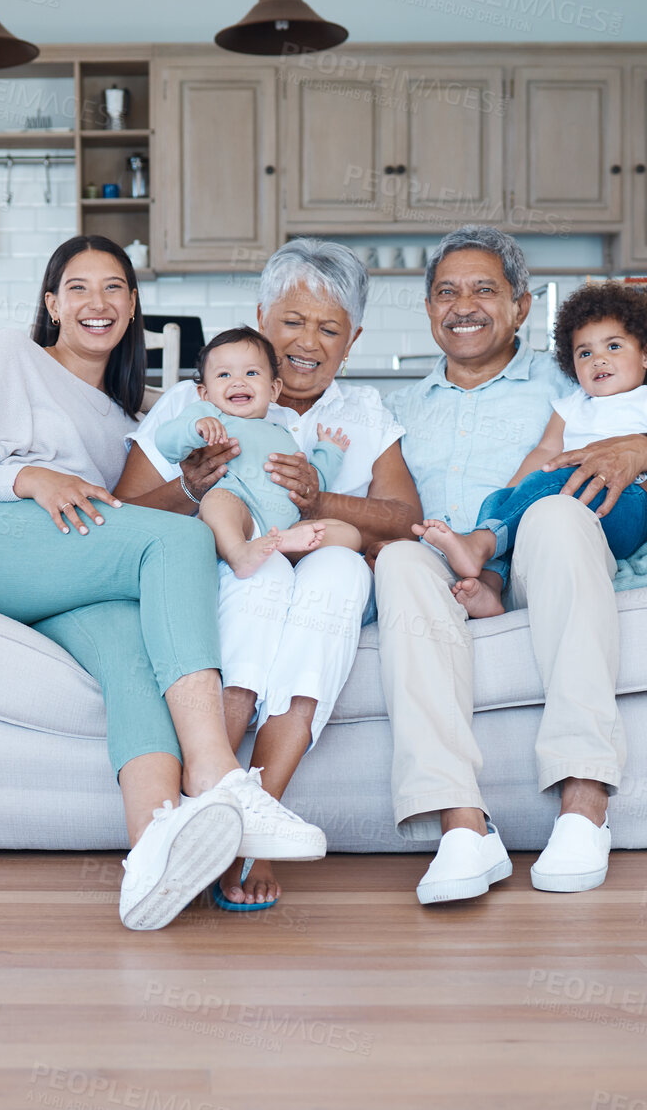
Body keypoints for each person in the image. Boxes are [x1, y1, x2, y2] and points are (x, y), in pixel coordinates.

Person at [0, 235, 326, 933]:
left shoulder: (129, 416)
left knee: (133, 658)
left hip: (68, 572)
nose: (96, 302)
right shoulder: (9, 354)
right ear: (50, 303)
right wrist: (29, 477)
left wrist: (185, 487)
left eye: (113, 288)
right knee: (189, 540)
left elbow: (121, 523)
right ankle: (215, 773)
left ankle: (153, 852)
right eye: (77, 287)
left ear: (133, 305)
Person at [377, 225, 647, 906]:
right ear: (427, 310)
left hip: (548, 552)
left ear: (520, 306)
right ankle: (462, 826)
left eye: (484, 289)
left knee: (553, 512)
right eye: (446, 292)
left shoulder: (575, 378)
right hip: (444, 563)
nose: (463, 304)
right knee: (396, 561)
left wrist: (646, 451)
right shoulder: (396, 408)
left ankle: (584, 796)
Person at [117, 238, 423, 910]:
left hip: (321, 555)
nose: (306, 340)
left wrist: (321, 499)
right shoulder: (199, 402)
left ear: (354, 339)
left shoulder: (364, 414)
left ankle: (255, 825)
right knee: (264, 580)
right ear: (260, 316)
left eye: (328, 327)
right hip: (235, 562)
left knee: (340, 572)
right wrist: (192, 487)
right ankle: (205, 802)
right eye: (290, 320)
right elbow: (124, 513)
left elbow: (405, 519)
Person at [417, 280, 647, 619]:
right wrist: (513, 493)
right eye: (585, 353)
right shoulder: (572, 405)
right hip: (563, 508)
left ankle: (481, 542)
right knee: (498, 502)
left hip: (625, 507)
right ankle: (488, 585)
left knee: (553, 483)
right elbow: (544, 452)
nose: (598, 360)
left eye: (614, 347)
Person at [154, 326, 360, 578]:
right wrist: (194, 428)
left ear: (273, 390)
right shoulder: (210, 417)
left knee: (349, 535)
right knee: (216, 501)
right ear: (205, 394)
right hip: (242, 517)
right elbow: (165, 442)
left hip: (288, 524)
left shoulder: (282, 433)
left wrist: (329, 452)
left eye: (251, 373)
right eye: (224, 375)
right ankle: (238, 553)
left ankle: (281, 543)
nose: (238, 381)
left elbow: (312, 482)